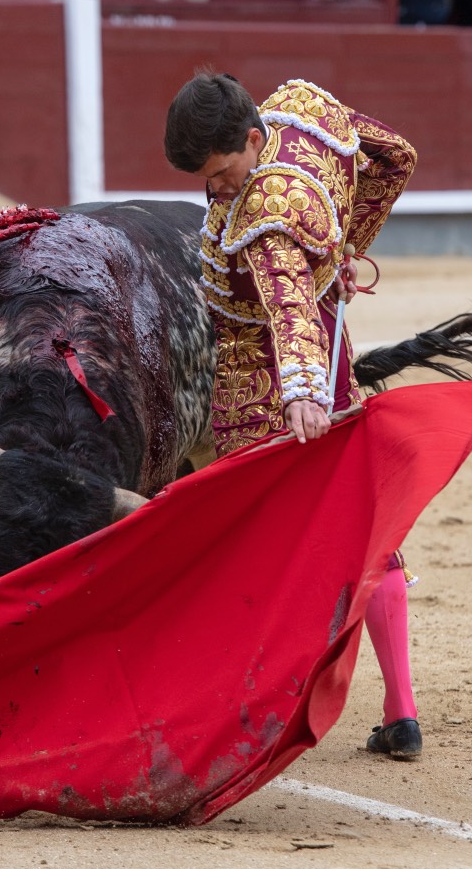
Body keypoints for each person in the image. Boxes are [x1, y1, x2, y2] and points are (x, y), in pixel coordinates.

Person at [163, 70, 422, 759]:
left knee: (260, 532)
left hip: (264, 373)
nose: (215, 189)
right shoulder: (301, 112)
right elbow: (395, 156)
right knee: (360, 515)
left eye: (220, 173)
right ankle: (402, 710)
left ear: (252, 139)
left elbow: (286, 304)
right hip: (330, 342)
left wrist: (301, 388)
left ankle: (258, 709)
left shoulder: (263, 213)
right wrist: (340, 249)